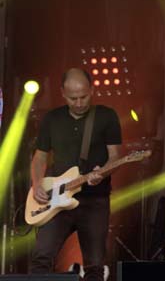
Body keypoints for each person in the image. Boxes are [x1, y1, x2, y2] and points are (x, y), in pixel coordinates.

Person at [30, 68, 121, 280]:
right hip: (56, 198)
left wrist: (104, 171)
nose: (79, 103)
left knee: (95, 265)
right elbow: (40, 157)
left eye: (84, 96)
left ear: (92, 90)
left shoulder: (106, 116)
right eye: (73, 98)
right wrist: (36, 185)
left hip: (94, 199)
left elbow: (115, 156)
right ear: (62, 92)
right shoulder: (52, 119)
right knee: (41, 257)